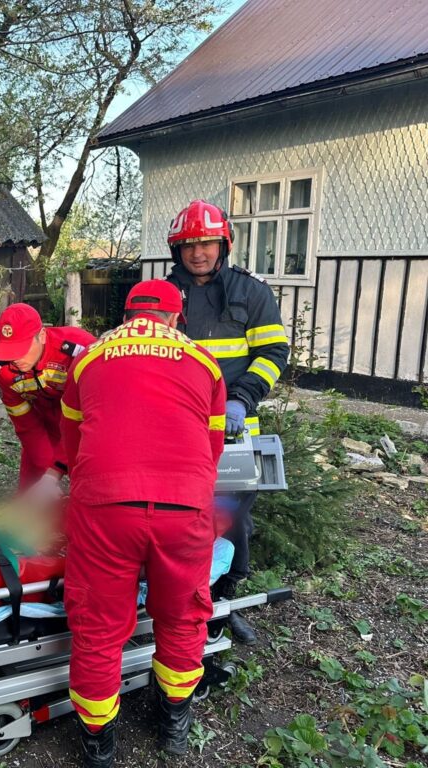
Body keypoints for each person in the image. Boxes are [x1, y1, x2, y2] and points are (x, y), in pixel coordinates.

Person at [60, 280, 226, 766]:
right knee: (183, 616)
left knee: (98, 626)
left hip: (106, 507)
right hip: (184, 506)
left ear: (127, 316)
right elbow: (212, 445)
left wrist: (95, 488)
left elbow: (73, 440)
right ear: (174, 319)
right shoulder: (204, 361)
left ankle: (98, 743)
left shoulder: (88, 357)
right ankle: (174, 718)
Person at [165, 199, 289, 644]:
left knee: (231, 518)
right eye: (188, 245)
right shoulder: (164, 294)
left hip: (235, 427)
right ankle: (172, 602)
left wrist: (240, 399)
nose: (197, 253)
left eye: (206, 243)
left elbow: (274, 352)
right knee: (174, 516)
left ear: (224, 245)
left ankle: (222, 604)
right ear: (176, 250)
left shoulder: (251, 292)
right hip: (175, 428)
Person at [0, 303, 95, 500]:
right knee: (31, 494)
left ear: (42, 335)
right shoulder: (2, 370)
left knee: (87, 491)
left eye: (21, 348)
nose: (15, 359)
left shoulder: (80, 350)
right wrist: (46, 472)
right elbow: (26, 425)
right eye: (9, 350)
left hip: (81, 424)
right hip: (43, 424)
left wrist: (55, 472)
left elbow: (90, 416)